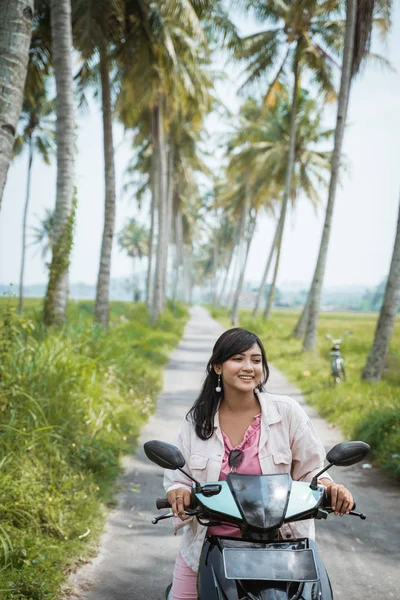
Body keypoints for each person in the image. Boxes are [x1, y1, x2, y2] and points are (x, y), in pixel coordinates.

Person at [164, 327, 353, 600]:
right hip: (210, 544)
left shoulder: (287, 412)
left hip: (282, 546)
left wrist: (328, 487)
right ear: (217, 366)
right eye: (238, 359)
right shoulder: (197, 420)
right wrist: (177, 492)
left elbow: (312, 470)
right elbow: (177, 476)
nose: (248, 367)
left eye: (256, 360)